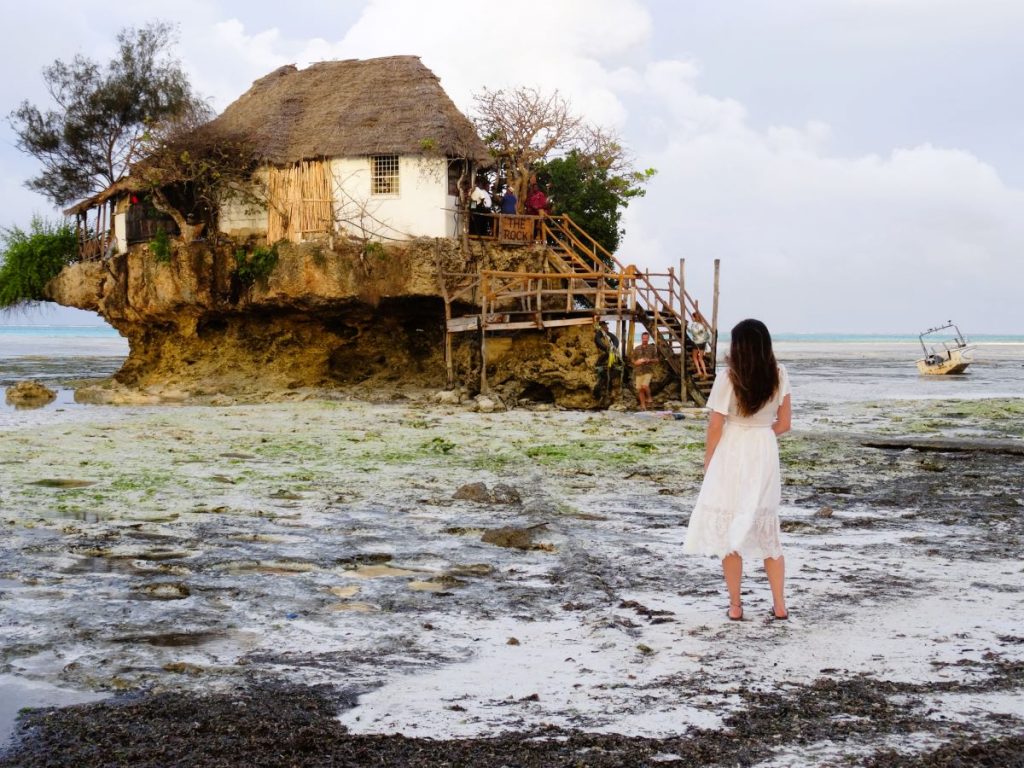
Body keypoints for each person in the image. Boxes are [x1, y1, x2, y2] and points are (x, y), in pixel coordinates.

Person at [682, 318, 792, 622]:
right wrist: (761, 432)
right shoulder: (780, 374)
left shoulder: (728, 378)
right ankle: (780, 605)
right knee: (768, 528)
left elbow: (715, 427)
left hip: (733, 450)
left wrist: (709, 463)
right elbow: (784, 424)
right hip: (764, 451)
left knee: (731, 528)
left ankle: (735, 606)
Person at [593, 319, 621, 403]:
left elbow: (615, 341)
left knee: (610, 376)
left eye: (606, 326)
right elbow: (599, 342)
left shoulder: (608, 336)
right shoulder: (599, 336)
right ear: (601, 328)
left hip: (609, 363)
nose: (607, 327)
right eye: (605, 326)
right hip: (602, 362)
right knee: (602, 379)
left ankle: (609, 395)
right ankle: (601, 396)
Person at [630, 331, 658, 410]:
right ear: (641, 338)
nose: (645, 340)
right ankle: (643, 406)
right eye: (643, 338)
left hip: (648, 370)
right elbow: (632, 359)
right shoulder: (637, 348)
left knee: (645, 386)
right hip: (638, 371)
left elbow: (657, 360)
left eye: (646, 338)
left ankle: (649, 398)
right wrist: (636, 362)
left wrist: (650, 360)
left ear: (648, 339)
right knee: (640, 390)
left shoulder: (652, 348)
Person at [686, 308, 712, 379]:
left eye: (692, 317)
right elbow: (706, 334)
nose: (691, 318)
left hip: (697, 343)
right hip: (703, 343)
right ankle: (705, 373)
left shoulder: (694, 324)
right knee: (701, 358)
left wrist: (686, 327)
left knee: (694, 357)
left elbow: (692, 332)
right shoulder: (703, 324)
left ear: (694, 317)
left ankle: (699, 372)